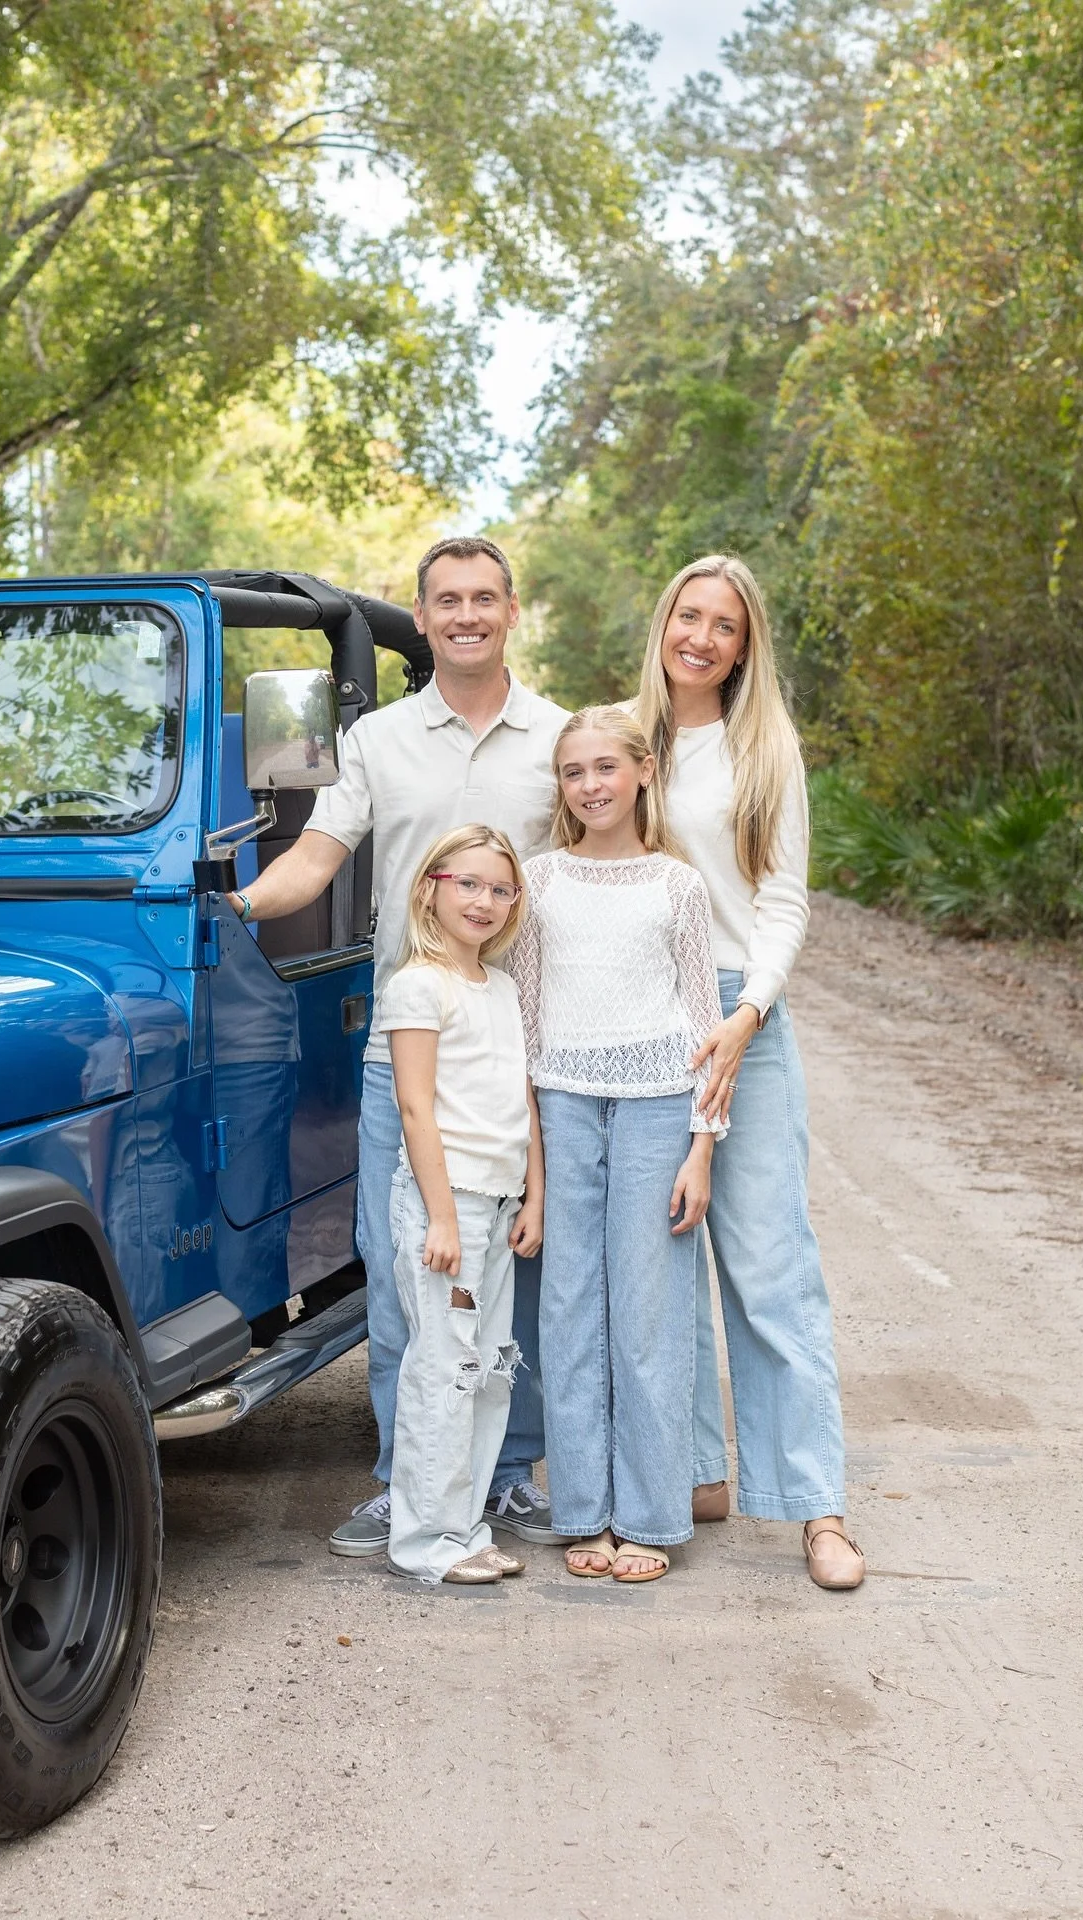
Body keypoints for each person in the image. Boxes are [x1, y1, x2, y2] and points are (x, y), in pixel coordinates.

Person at [225, 535, 568, 1556]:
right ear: (421, 618)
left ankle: (505, 1476)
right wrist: (233, 904)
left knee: (519, 1271)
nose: (466, 614)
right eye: (446, 600)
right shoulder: (376, 739)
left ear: (513, 611)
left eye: (484, 598)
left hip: (516, 1050)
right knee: (400, 1267)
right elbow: (314, 862)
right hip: (404, 1055)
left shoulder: (556, 737)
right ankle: (406, 1481)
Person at [626, 553, 864, 1590]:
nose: (704, 637)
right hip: (636, 1012)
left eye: (726, 624)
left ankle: (817, 1506)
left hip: (740, 1009)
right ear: (665, 622)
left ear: (745, 644)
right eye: (691, 615)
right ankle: (694, 1472)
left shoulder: (766, 748)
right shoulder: (622, 739)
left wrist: (746, 1016)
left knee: (770, 1270)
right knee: (660, 1258)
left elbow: (785, 899)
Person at [510, 707, 724, 1582]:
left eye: (606, 767)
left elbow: (706, 1022)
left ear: (640, 772)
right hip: (562, 1104)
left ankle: (649, 1514)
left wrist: (702, 1146)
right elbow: (522, 1031)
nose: (592, 786)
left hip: (656, 1108)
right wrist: (534, 1174)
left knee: (649, 1313)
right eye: (573, 773)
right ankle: (584, 1512)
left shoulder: (677, 886)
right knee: (565, 1312)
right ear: (561, 787)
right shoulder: (538, 882)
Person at [381, 825, 544, 1584]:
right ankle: (424, 1542)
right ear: (431, 888)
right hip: (445, 1209)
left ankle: (465, 1528)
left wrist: (533, 1196)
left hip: (500, 1203)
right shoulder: (418, 984)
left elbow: (521, 1101)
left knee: (486, 1373)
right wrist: (441, 1215)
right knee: (443, 1370)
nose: (484, 901)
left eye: (501, 888)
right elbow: (415, 1108)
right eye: (468, 884)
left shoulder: (504, 987)